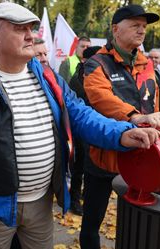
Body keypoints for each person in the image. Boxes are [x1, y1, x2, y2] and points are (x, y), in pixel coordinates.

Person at [0, 3, 160, 249]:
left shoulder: (48, 77)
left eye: (31, 28)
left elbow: (81, 115)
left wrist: (123, 133)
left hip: (41, 203)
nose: (30, 35)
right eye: (19, 29)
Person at [80, 5, 160, 249]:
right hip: (103, 158)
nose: (141, 30)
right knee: (92, 223)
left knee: (137, 217)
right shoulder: (97, 63)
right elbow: (100, 98)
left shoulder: (146, 63)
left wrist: (158, 129)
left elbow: (154, 100)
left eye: (144, 26)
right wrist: (134, 117)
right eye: (135, 25)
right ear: (116, 29)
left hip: (142, 156)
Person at [67, 46, 101, 216]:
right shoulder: (78, 78)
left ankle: (86, 198)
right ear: (86, 61)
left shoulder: (98, 75)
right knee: (80, 166)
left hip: (94, 127)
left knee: (91, 166)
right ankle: (74, 199)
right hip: (80, 128)